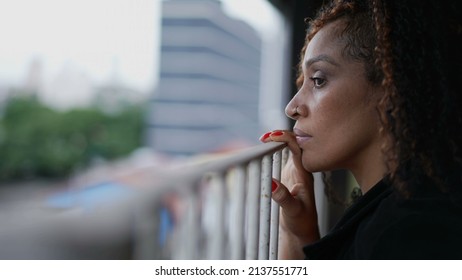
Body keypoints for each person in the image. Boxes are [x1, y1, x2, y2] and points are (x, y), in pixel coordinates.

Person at [260, 0, 462, 259]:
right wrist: (298, 234)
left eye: (318, 80)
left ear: (392, 87)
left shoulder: (404, 233)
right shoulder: (409, 207)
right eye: (302, 82)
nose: (292, 107)